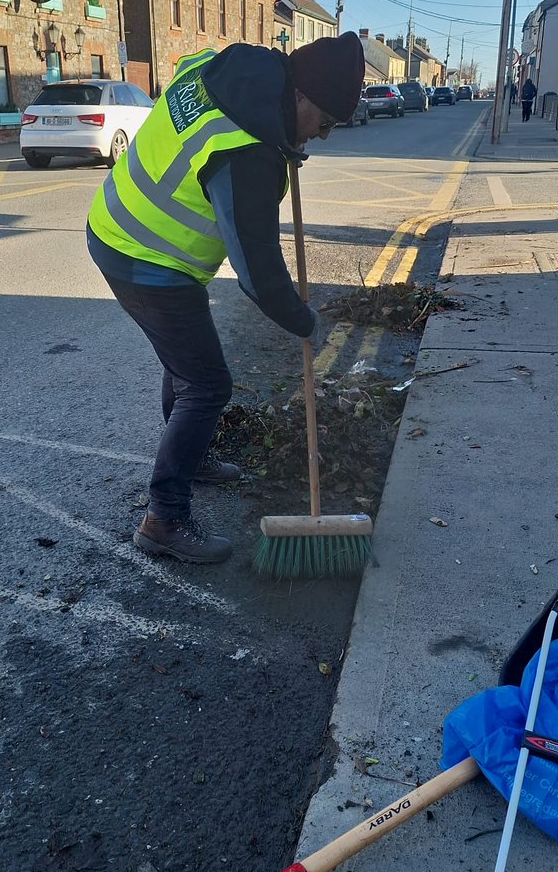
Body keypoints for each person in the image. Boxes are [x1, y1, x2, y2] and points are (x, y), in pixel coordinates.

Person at [86, 33, 365, 565]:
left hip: (118, 225)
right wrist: (302, 320)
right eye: (324, 123)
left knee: (185, 362)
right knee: (207, 383)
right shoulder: (246, 154)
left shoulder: (226, 69)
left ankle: (191, 457)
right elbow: (257, 272)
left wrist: (288, 142)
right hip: (144, 257)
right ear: (301, 96)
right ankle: (164, 518)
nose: (323, 137)